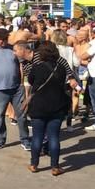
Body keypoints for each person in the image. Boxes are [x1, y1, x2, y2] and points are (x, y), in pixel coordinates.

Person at [24, 41, 69, 176]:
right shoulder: (61, 68)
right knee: (54, 137)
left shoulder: (37, 67)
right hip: (57, 105)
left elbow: (31, 81)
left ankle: (34, 164)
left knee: (37, 136)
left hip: (39, 106)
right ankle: (55, 167)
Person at [0, 28, 30, 150]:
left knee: (22, 115)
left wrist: (21, 83)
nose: (3, 41)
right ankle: (0, 140)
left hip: (16, 88)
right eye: (1, 39)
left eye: (5, 39)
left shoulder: (12, 49)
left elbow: (20, 64)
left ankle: (25, 140)